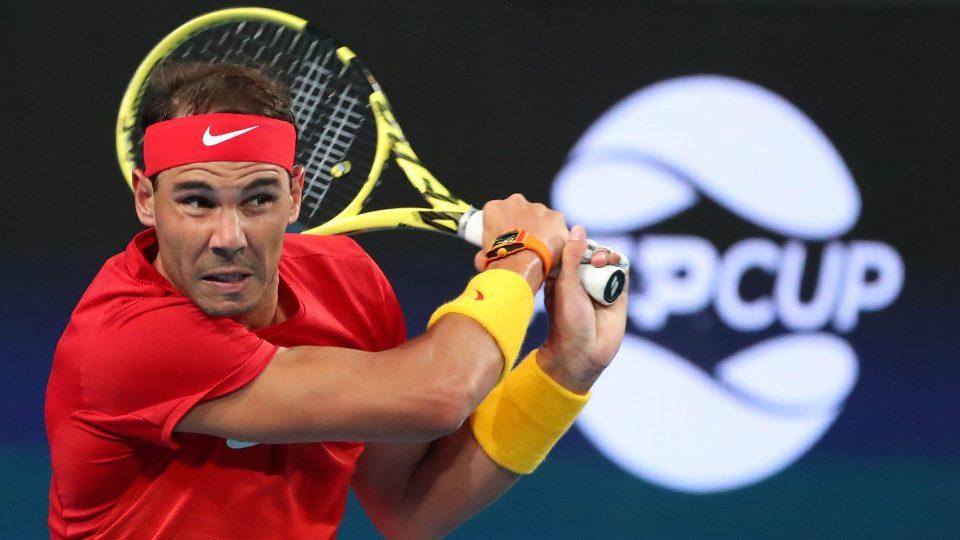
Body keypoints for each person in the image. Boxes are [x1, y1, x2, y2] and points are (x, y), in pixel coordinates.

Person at [45, 63, 628, 539]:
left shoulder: (347, 283)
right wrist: (520, 258)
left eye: (257, 199)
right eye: (197, 201)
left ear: (295, 193)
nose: (229, 236)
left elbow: (408, 508)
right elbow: (442, 391)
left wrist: (566, 368)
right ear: (146, 199)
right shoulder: (124, 337)